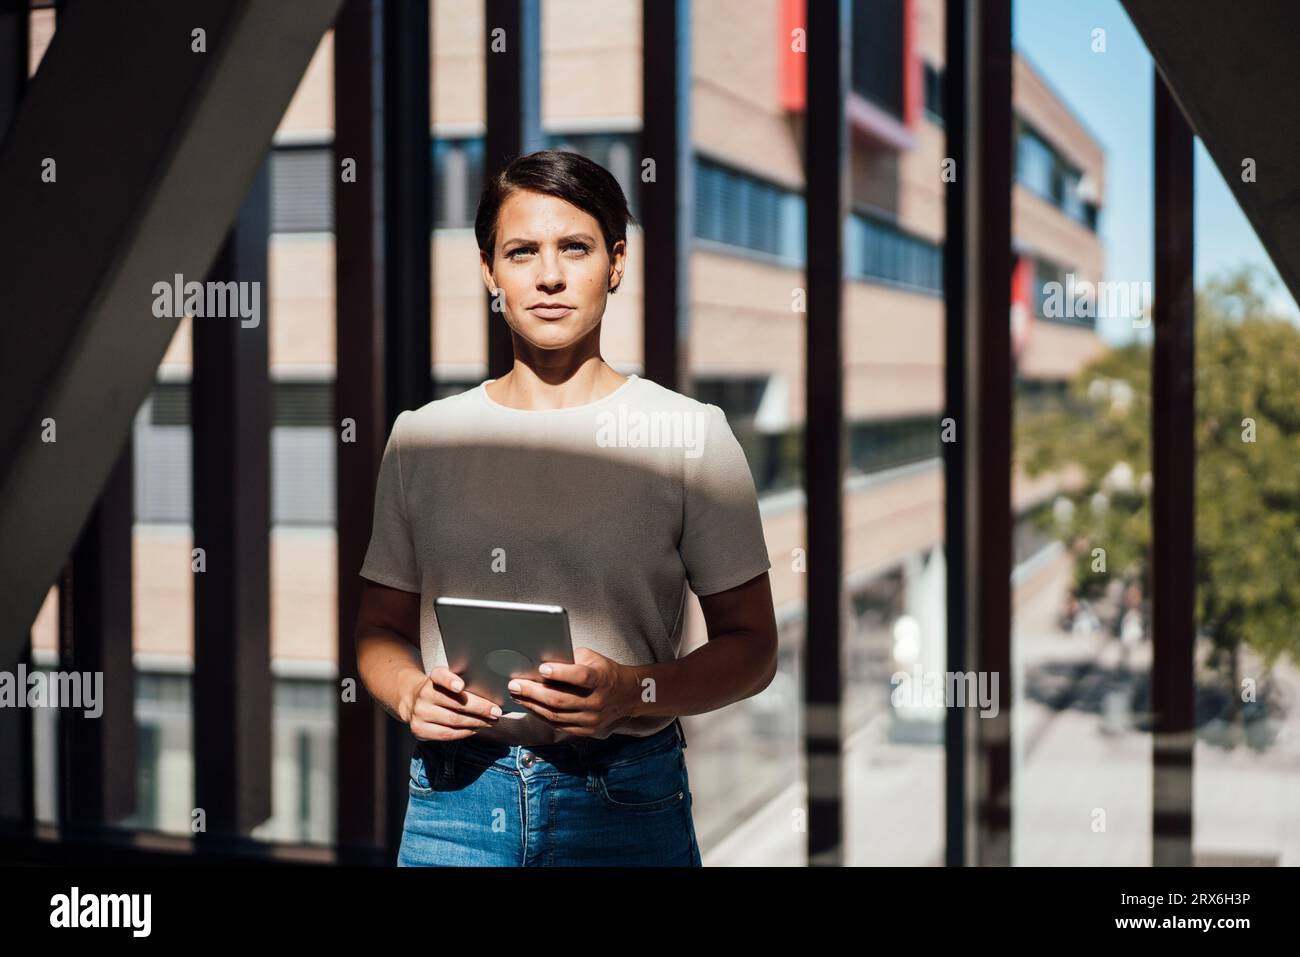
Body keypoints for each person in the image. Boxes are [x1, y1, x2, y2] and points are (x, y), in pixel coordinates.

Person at [353, 149, 779, 866]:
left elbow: (753, 648)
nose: (548, 275)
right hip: (452, 804)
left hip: (623, 800)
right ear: (490, 271)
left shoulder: (689, 434)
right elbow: (378, 631)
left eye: (574, 248)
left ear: (616, 262)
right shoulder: (421, 439)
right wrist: (407, 694)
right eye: (521, 252)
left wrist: (632, 689)